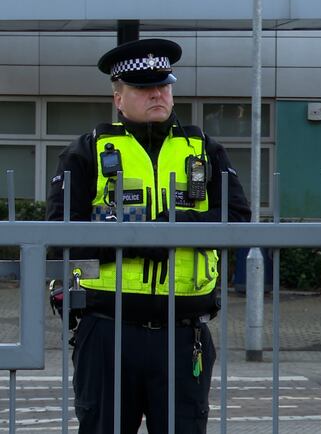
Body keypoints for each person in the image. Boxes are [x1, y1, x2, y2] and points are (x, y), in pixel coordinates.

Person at [46, 38, 251, 434]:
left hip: (183, 331)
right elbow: (61, 241)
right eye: (143, 87)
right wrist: (137, 239)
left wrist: (172, 230)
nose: (157, 93)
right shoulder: (86, 152)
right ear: (119, 98)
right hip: (107, 330)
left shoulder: (204, 150)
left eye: (164, 84)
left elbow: (236, 219)